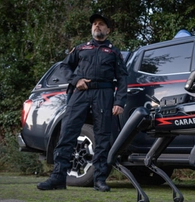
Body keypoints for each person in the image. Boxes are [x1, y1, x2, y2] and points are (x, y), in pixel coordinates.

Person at [37, 13, 128, 192]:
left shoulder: (114, 52)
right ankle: (58, 178)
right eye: (94, 24)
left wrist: (120, 101)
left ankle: (99, 180)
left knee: (102, 137)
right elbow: (64, 66)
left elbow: (123, 77)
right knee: (67, 133)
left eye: (101, 24)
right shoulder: (81, 49)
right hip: (80, 92)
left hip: (104, 93)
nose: (97, 27)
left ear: (108, 30)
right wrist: (75, 80)